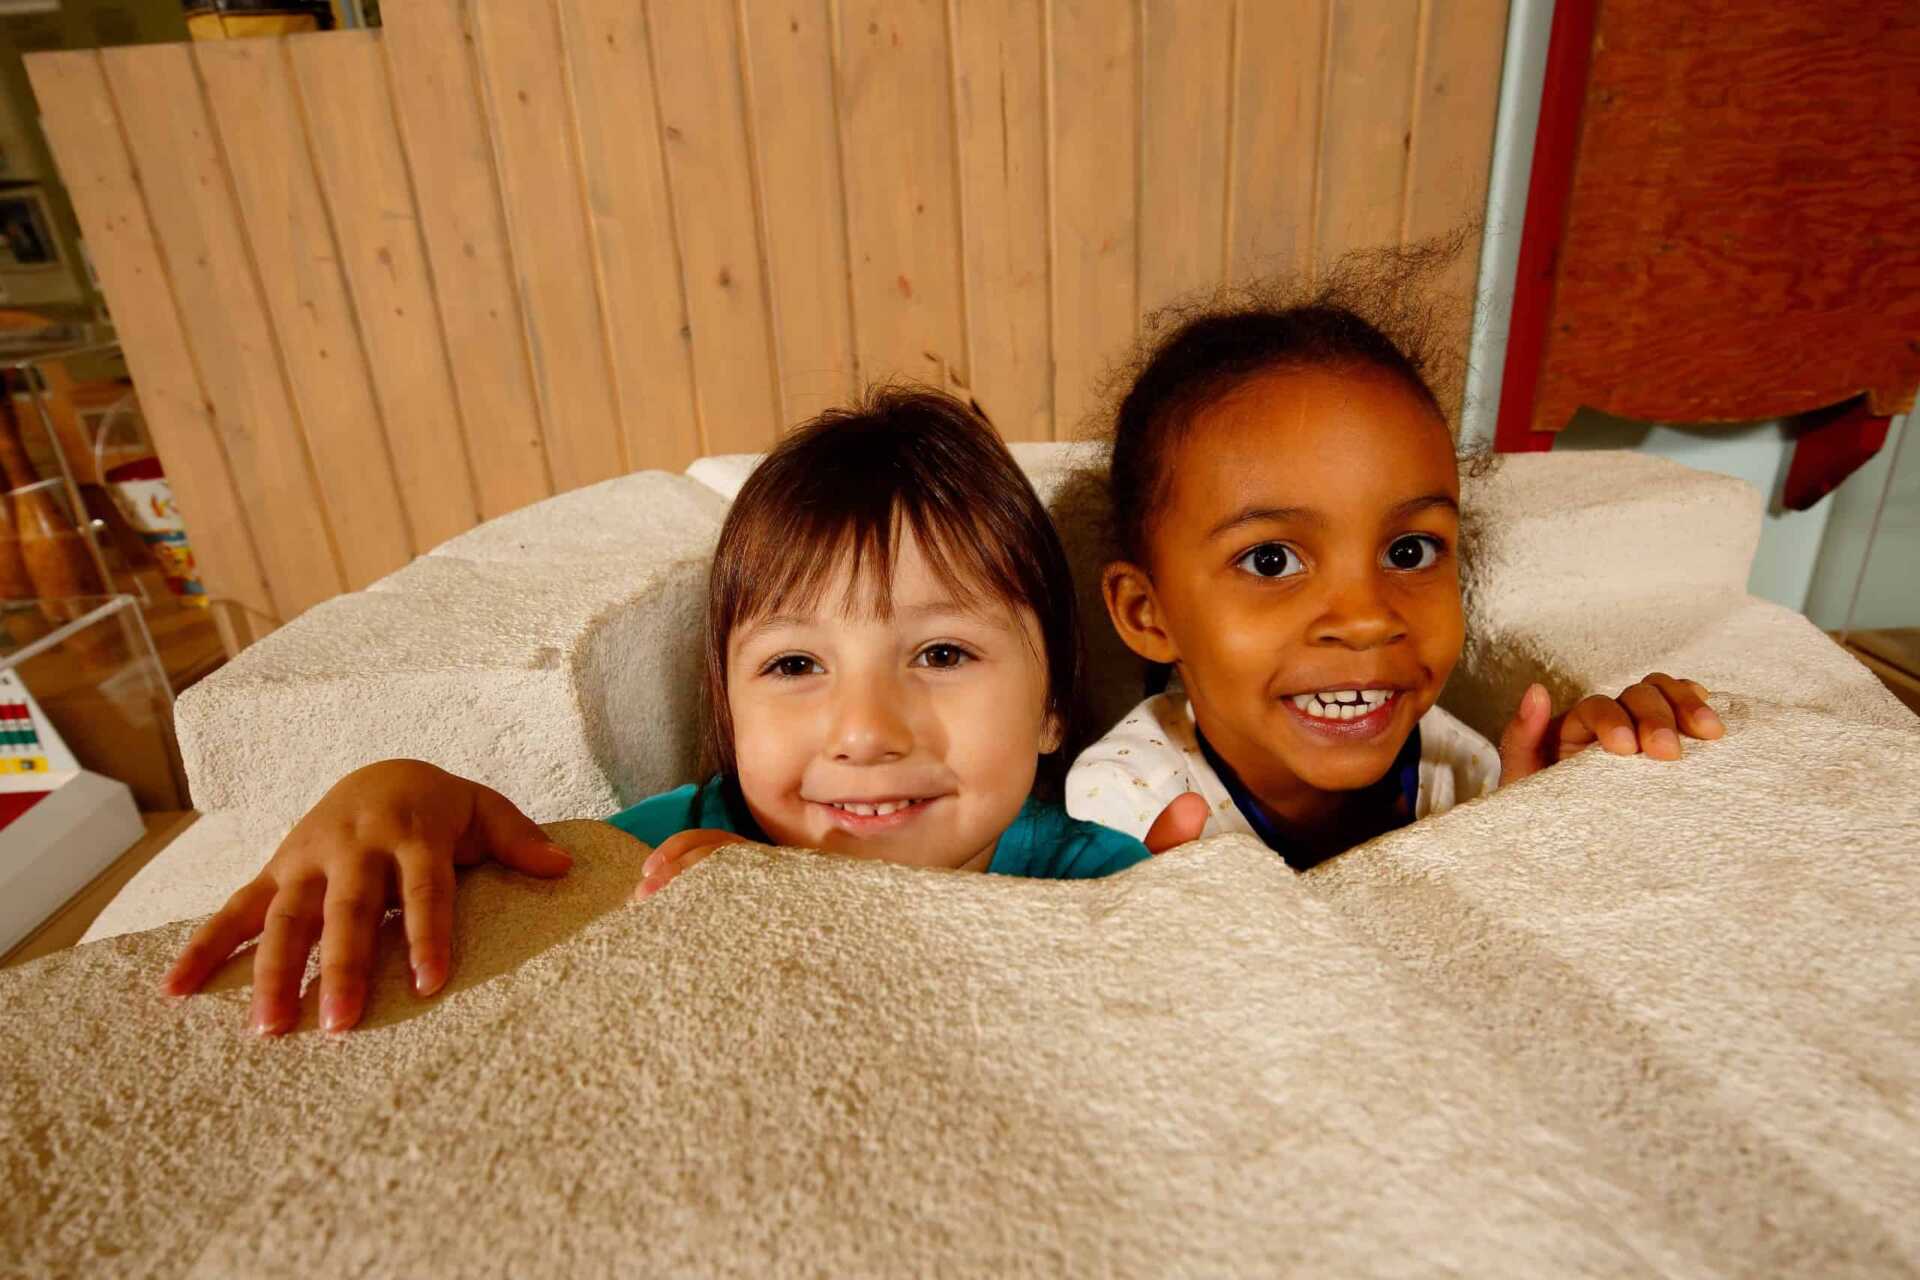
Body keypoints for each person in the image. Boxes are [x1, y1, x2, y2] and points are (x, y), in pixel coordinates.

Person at [164, 389, 1203, 1035]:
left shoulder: (1089, 879)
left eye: (941, 651)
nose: (865, 728)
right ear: (728, 705)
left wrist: (1191, 921)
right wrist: (395, 789)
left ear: (1054, 709)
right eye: (796, 662)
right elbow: (524, 878)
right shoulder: (672, 847)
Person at [1067, 244, 1724, 869]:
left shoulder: (1461, 767)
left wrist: (1538, 815)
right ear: (1147, 614)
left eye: (1409, 551)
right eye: (1271, 561)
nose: (1365, 620)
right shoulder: (1120, 802)